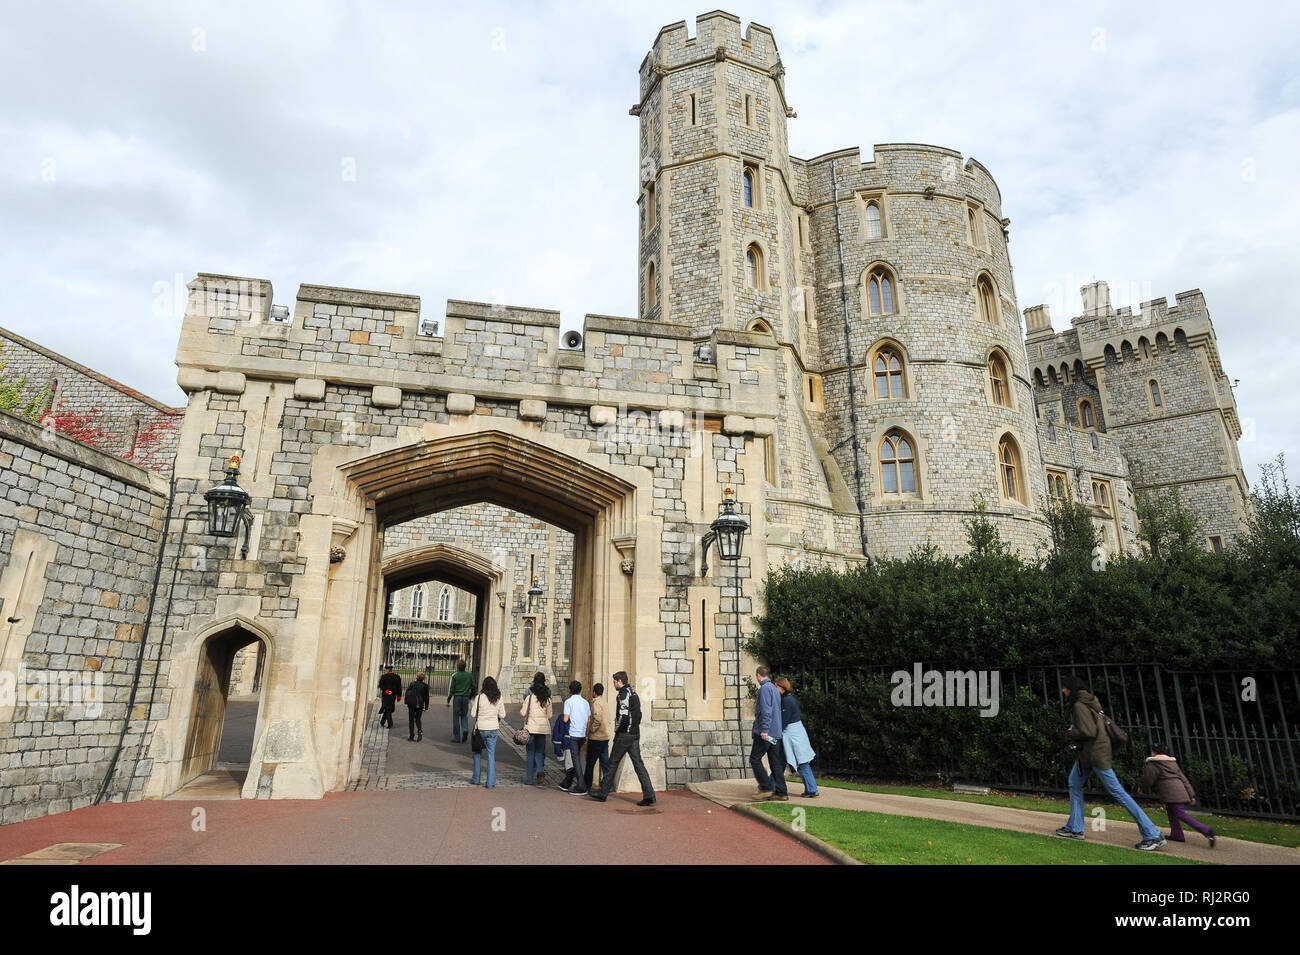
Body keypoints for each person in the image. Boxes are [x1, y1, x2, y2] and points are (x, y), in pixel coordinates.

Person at [1054, 673, 1166, 850]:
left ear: (1070, 688)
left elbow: (1088, 731)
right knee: (1074, 783)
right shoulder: (1091, 701)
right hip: (1092, 754)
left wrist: (1072, 731)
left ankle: (1152, 833)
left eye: (1064, 687)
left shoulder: (1078, 705)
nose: (1063, 691)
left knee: (1118, 792)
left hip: (1094, 755)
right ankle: (1075, 828)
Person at [586, 671, 655, 806]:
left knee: (612, 763)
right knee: (638, 764)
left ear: (619, 681)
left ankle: (602, 792)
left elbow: (623, 717)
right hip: (634, 733)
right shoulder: (633, 693)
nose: (613, 684)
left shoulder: (623, 695)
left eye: (614, 682)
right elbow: (638, 714)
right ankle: (649, 794)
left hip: (624, 734)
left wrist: (618, 730)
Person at [1138, 743, 1215, 847]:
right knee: (1171, 812)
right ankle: (1177, 834)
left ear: (1154, 752)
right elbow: (1183, 779)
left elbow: (1148, 778)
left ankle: (1207, 830)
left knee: (1180, 814)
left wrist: (1142, 788)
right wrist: (1191, 794)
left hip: (1171, 792)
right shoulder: (1172, 763)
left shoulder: (1154, 763)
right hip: (1179, 791)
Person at [750, 665, 788, 801]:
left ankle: (766, 788)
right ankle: (782, 792)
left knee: (754, 759)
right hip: (776, 733)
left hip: (767, 732)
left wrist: (764, 730)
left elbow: (766, 711)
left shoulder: (765, 689)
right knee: (775, 763)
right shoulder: (774, 688)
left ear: (758, 675)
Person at [775, 677, 817, 798]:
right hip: (795, 733)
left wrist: (776, 733)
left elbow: (785, 721)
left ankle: (811, 789)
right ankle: (770, 786)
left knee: (801, 762)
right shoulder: (789, 699)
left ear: (781, 687)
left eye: (776, 686)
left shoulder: (787, 701)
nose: (775, 688)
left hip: (793, 735)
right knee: (797, 761)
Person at [469, 677, 507, 788]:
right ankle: (490, 782)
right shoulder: (498, 698)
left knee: (477, 753)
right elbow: (502, 715)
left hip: (481, 728)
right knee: (491, 754)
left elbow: (472, 714)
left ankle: (476, 778)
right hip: (493, 728)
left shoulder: (479, 698)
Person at [521, 672, 552, 785]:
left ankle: (529, 779)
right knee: (539, 752)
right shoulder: (547, 698)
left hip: (531, 728)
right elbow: (550, 715)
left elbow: (523, 712)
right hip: (542, 729)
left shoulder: (529, 697)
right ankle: (540, 770)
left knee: (530, 753)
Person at [560, 680, 591, 794]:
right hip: (582, 734)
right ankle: (566, 782)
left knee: (575, 760)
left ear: (570, 690)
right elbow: (589, 720)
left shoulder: (568, 702)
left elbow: (565, 719)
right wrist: (587, 734)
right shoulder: (585, 702)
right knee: (576, 758)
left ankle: (581, 785)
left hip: (573, 734)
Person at [581, 682, 611, 794]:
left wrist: (591, 730)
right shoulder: (605, 702)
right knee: (604, 762)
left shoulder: (596, 703)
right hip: (605, 736)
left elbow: (597, 719)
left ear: (594, 692)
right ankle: (609, 784)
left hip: (597, 737)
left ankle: (586, 784)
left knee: (590, 762)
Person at [446, 658, 474, 743]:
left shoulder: (455, 675)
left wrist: (448, 700)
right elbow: (473, 687)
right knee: (464, 715)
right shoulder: (469, 675)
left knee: (456, 717)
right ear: (465, 666)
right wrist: (470, 696)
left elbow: (452, 690)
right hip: (466, 697)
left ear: (457, 666)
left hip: (457, 698)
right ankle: (465, 729)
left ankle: (457, 737)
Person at [404, 673, 430, 741]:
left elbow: (407, 693)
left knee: (411, 720)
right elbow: (427, 698)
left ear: (417, 677)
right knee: (418, 719)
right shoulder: (425, 686)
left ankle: (411, 736)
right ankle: (419, 731)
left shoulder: (412, 684)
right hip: (420, 704)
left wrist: (407, 702)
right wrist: (426, 707)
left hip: (412, 704)